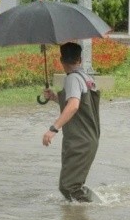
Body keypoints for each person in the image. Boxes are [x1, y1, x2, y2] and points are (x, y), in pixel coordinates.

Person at [41, 42, 101, 202]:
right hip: (88, 138)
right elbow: (80, 105)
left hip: (79, 140)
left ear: (61, 60)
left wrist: (53, 129)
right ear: (80, 59)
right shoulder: (87, 78)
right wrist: (55, 97)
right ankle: (80, 215)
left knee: (69, 186)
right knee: (72, 186)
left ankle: (100, 207)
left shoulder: (73, 79)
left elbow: (74, 105)